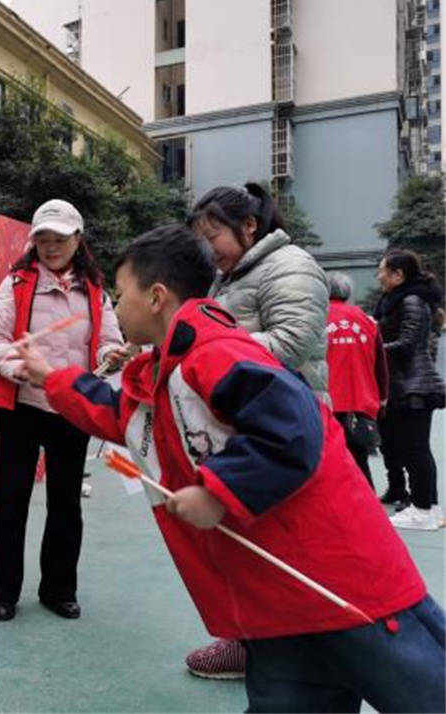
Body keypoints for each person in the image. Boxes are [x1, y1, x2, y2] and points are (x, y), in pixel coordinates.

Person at [17, 225, 444, 713]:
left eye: (120, 294)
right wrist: (52, 378)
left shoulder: (217, 351)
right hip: (279, 607)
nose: (115, 307)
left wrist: (218, 492)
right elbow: (122, 415)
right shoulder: (171, 368)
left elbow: (292, 427)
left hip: (343, 585)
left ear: (156, 297)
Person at [185, 182, 330, 678]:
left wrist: (205, 351)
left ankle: (286, 650)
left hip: (287, 430)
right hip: (248, 425)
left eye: (213, 237)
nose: (209, 251)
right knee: (247, 540)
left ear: (248, 226)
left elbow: (291, 341)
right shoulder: (226, 278)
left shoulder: (291, 266)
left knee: (286, 542)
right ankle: (250, 640)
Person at [0, 198, 124, 622]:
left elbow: (109, 341)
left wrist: (112, 356)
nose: (51, 246)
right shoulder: (17, 283)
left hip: (70, 407)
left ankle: (59, 590)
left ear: (78, 239)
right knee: (11, 501)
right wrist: (17, 367)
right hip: (22, 405)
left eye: (59, 238)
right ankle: (4, 592)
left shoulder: (95, 291)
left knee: (65, 504)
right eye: (43, 239)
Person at [374, 249, 446, 531]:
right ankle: (428, 507)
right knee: (413, 448)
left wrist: (371, 348)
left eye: (383, 270)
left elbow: (407, 344)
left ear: (398, 275)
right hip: (406, 384)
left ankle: (422, 509)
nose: (379, 276)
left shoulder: (411, 301)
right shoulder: (399, 300)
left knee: (415, 450)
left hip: (414, 386)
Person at [324, 271, 388, 488]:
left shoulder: (317, 318)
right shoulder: (367, 320)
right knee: (360, 459)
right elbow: (381, 365)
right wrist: (383, 398)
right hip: (361, 399)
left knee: (329, 460)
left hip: (328, 400)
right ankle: (366, 501)